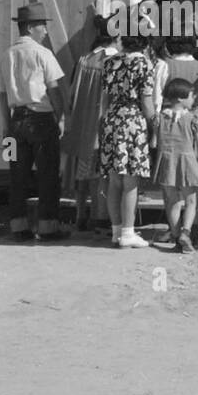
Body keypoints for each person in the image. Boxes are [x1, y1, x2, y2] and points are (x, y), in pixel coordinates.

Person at [0, 3, 68, 241]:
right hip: (41, 120)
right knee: (48, 173)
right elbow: (55, 90)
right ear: (30, 27)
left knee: (16, 175)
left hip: (15, 122)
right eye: (42, 26)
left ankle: (18, 226)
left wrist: (6, 126)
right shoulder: (42, 53)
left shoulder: (7, 54)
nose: (45, 31)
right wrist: (60, 118)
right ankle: (48, 226)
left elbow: (2, 94)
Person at [152, 35, 198, 245]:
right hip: (192, 129)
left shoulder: (163, 65)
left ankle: (175, 230)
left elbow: (156, 97)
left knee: (170, 191)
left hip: (169, 129)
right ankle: (192, 228)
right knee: (195, 187)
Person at [62, 15, 118, 232]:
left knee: (82, 173)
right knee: (102, 175)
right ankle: (99, 215)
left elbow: (70, 96)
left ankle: (79, 213)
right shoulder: (116, 61)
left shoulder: (84, 60)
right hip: (105, 126)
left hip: (82, 126)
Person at [99, 33, 156, 248]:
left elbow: (104, 97)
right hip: (132, 119)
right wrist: (154, 126)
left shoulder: (109, 62)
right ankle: (128, 232)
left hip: (111, 119)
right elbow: (147, 101)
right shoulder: (144, 64)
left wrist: (104, 120)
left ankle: (116, 231)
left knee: (114, 180)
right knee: (131, 181)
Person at [150, 78, 198, 253]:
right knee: (191, 200)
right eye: (191, 96)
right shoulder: (192, 118)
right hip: (187, 161)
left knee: (171, 202)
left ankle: (176, 235)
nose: (193, 99)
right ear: (181, 99)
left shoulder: (159, 118)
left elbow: (153, 143)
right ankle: (186, 233)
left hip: (166, 161)